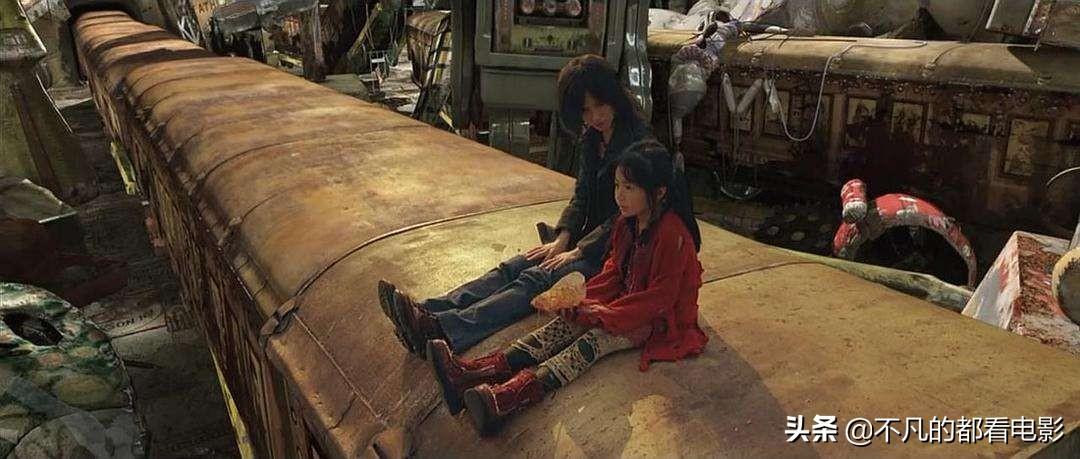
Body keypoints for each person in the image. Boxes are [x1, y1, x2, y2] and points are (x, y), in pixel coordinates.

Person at [377, 54, 656, 359]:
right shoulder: (593, 137)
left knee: (538, 278)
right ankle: (427, 311)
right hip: (583, 239)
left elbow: (628, 216)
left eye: (599, 106)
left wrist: (579, 250)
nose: (594, 117)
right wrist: (562, 239)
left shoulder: (640, 143)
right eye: (585, 111)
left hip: (616, 252)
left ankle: (445, 329)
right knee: (514, 266)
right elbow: (582, 194)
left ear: (613, 95)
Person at [427, 144, 707, 434]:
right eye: (617, 185)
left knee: (597, 338)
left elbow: (660, 299)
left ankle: (510, 398)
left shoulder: (673, 234)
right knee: (566, 322)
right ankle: (478, 372)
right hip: (627, 302)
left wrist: (606, 313)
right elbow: (614, 271)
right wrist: (583, 299)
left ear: (659, 192)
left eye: (629, 187)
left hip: (659, 319)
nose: (619, 195)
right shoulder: (627, 223)